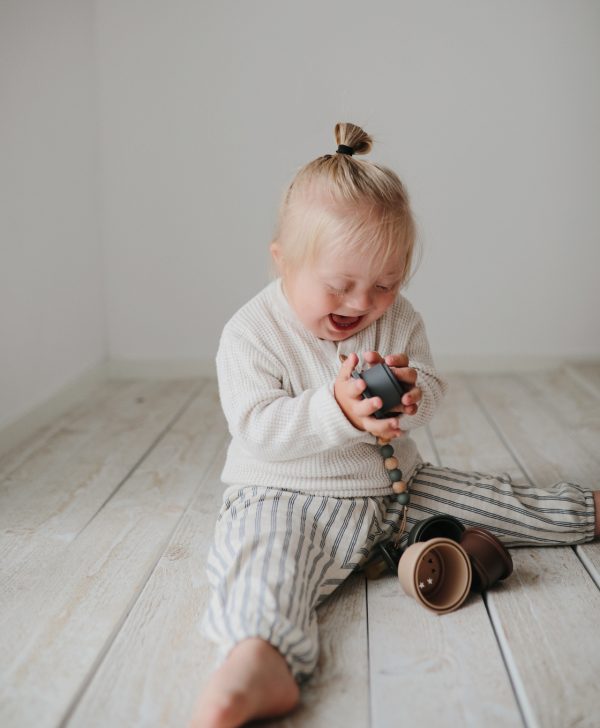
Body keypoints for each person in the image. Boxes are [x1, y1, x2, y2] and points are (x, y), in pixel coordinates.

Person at [190, 122, 600, 728]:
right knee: (264, 560)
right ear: (282, 260)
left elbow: (431, 387)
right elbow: (256, 426)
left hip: (397, 492)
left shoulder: (398, 318)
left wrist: (412, 396)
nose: (361, 304)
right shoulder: (250, 333)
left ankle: (586, 509)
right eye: (340, 285)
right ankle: (257, 662)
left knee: (499, 500)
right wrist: (336, 409)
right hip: (290, 496)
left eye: (384, 285)